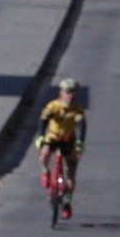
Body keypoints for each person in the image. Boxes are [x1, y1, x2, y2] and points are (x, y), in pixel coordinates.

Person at [35, 78, 87, 219]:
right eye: (68, 92)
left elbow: (81, 125)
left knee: (71, 173)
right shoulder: (53, 106)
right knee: (45, 152)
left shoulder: (77, 109)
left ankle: (67, 202)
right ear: (61, 92)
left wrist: (80, 142)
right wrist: (40, 136)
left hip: (68, 140)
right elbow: (44, 119)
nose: (71, 96)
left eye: (73, 93)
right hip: (53, 137)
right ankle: (45, 171)